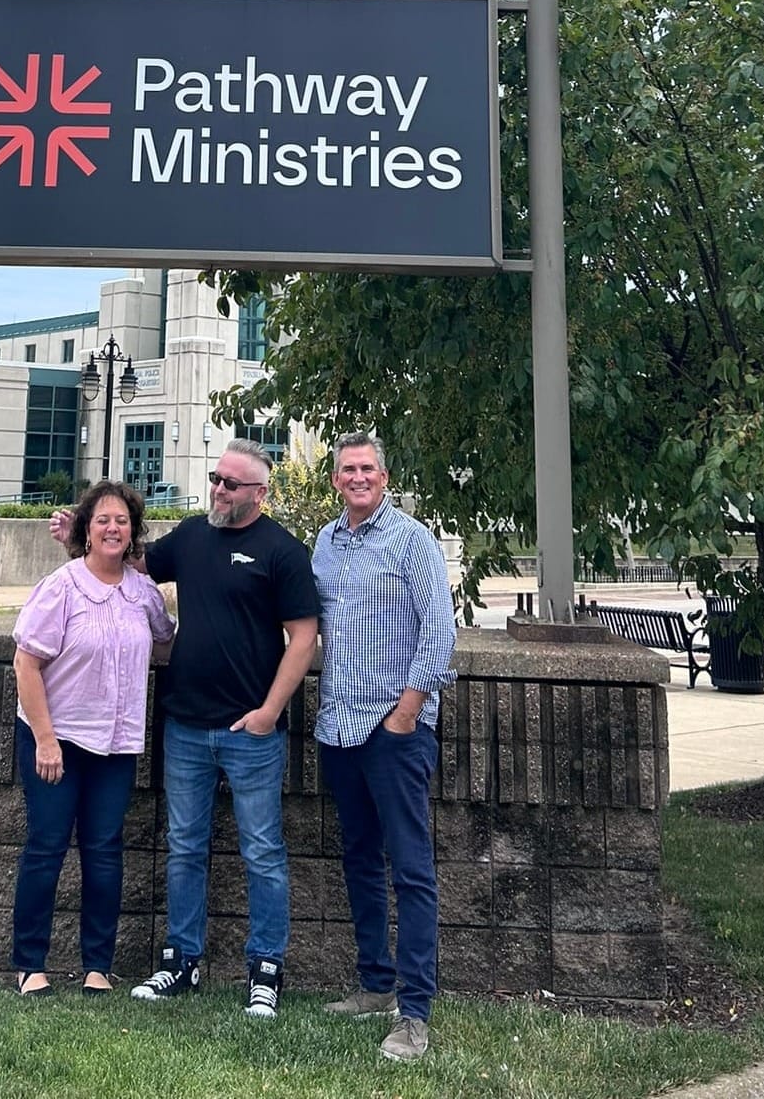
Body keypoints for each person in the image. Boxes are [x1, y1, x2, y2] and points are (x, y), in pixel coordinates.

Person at [51, 438, 319, 1018]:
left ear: (259, 494)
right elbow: (132, 563)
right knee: (185, 848)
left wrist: (270, 712)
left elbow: (303, 637)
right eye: (215, 478)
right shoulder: (194, 535)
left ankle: (265, 969)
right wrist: (81, 531)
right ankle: (181, 960)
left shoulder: (283, 552)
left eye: (230, 483)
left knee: (264, 851)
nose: (218, 490)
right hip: (186, 728)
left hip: (252, 732)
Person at [313, 431, 457, 1064]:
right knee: (360, 859)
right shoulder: (325, 543)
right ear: (337, 478)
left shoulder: (412, 540)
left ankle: (415, 1010)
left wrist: (405, 715)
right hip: (339, 728)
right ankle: (374, 984)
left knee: (411, 868)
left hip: (393, 732)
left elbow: (440, 634)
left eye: (368, 467)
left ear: (385, 475)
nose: (358, 477)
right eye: (348, 469)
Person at [11, 481, 175, 996]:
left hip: (116, 744)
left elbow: (167, 638)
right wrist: (45, 738)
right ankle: (29, 963)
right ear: (86, 528)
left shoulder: (141, 593)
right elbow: (26, 663)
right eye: (102, 519)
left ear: (133, 533)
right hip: (55, 740)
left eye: (122, 521)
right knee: (47, 846)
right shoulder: (61, 586)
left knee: (104, 851)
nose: (113, 528)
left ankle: (97, 966)